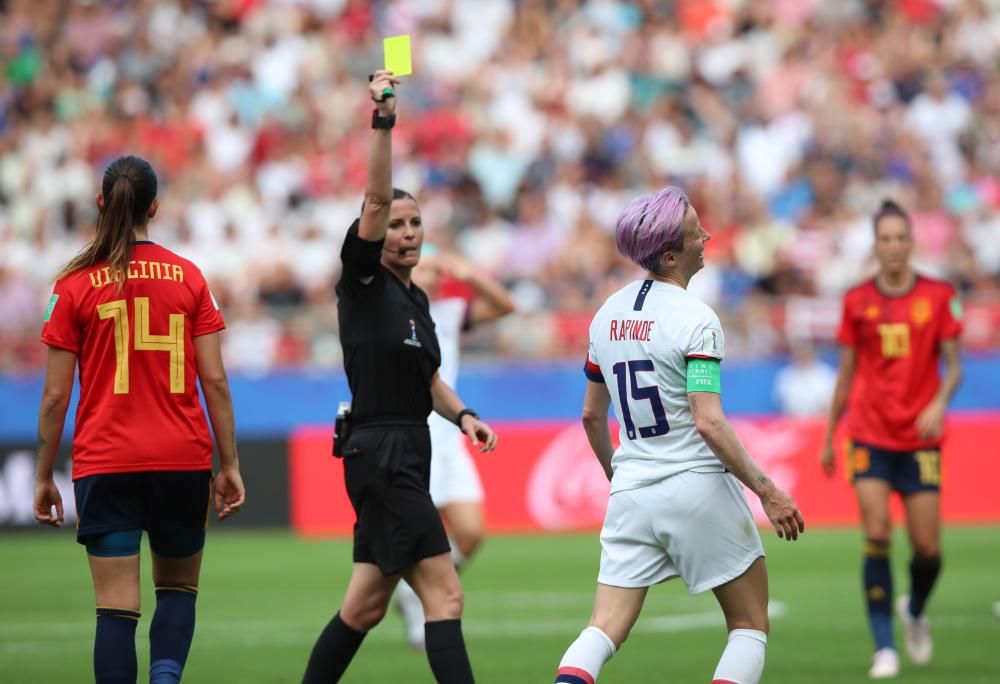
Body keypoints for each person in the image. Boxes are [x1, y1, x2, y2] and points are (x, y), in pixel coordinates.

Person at [553, 186, 804, 684]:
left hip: (632, 489)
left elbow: (590, 417)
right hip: (694, 485)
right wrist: (767, 491)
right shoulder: (698, 320)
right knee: (749, 626)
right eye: (696, 232)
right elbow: (708, 421)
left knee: (602, 630)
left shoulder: (605, 315)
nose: (706, 236)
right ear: (670, 254)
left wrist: (620, 476)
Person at [301, 71, 498, 684]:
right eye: (396, 225)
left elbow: (430, 379)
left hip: (402, 447)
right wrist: (384, 122)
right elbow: (377, 199)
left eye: (415, 225)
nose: (406, 232)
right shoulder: (362, 285)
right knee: (445, 597)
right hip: (383, 453)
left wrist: (463, 415)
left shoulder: (416, 301)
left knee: (363, 606)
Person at [34, 155, 246, 684]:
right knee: (177, 590)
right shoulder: (190, 276)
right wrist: (230, 464)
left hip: (106, 461)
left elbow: (56, 398)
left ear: (101, 202)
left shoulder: (73, 284)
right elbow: (215, 381)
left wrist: (42, 474)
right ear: (155, 206)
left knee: (115, 606)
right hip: (182, 457)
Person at [821, 199, 963, 679]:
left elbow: (956, 366)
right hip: (869, 433)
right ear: (875, 244)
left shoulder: (940, 295)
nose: (895, 246)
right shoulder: (856, 301)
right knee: (877, 532)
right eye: (886, 239)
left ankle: (915, 610)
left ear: (911, 242)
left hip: (921, 439)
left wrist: (940, 401)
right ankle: (884, 648)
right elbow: (845, 376)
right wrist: (827, 436)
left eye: (902, 237)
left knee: (928, 549)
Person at [395, 247, 516, 648]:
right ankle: (421, 606)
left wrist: (470, 271)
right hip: (411, 435)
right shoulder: (392, 310)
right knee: (419, 535)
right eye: (423, 266)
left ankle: (414, 592)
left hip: (449, 432)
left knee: (471, 532)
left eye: (435, 267)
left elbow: (504, 306)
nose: (431, 273)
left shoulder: (448, 312)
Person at [773, 338, 837, 417]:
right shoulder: (785, 375)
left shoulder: (827, 374)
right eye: (799, 352)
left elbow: (831, 403)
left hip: (820, 421)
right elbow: (782, 401)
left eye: (805, 352)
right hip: (793, 422)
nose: (802, 355)